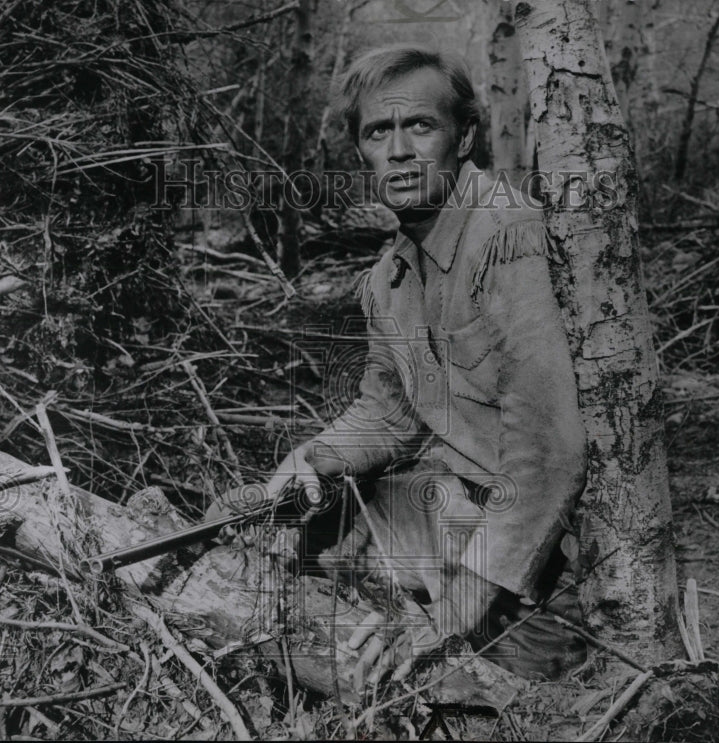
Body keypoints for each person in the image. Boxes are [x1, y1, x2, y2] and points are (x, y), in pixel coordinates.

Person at [212, 45, 588, 689]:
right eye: (378, 131)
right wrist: (314, 458)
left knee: (491, 681)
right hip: (453, 511)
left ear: (464, 135)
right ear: (360, 151)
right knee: (261, 529)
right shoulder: (389, 278)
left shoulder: (508, 234)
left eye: (421, 125)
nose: (400, 149)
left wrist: (449, 613)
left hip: (540, 548)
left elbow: (551, 449)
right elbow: (390, 412)